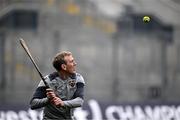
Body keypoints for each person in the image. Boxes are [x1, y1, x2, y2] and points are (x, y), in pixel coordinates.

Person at [30, 51, 85, 120]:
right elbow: (33, 104)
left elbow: (80, 101)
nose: (75, 63)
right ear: (64, 67)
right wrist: (48, 99)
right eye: (71, 61)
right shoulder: (48, 80)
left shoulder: (78, 78)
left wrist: (62, 103)